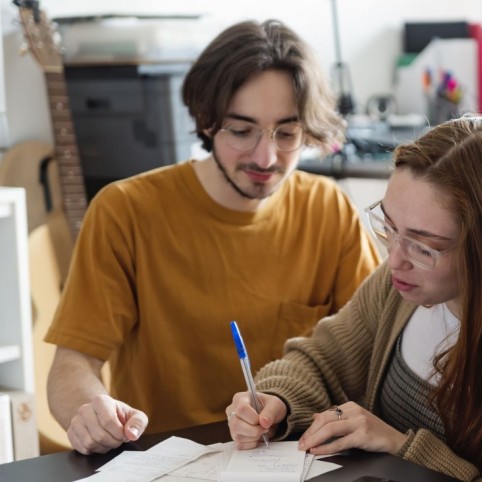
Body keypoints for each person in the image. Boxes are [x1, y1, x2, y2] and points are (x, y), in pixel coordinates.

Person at [226, 114, 482, 481]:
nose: (395, 259)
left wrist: (404, 448)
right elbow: (322, 360)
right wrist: (277, 400)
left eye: (424, 246)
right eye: (390, 226)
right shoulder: (402, 285)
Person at [44, 19, 380, 455]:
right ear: (206, 122)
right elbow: (72, 364)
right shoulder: (125, 211)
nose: (266, 156)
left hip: (298, 459)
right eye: (241, 131)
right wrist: (89, 410)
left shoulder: (328, 209)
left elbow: (372, 351)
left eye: (287, 133)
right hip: (166, 460)